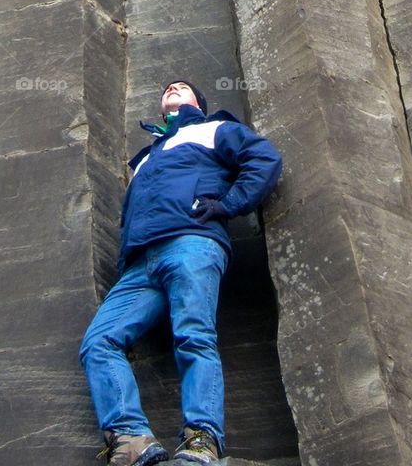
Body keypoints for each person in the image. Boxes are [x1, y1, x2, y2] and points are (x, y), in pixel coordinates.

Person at [79, 79, 283, 466]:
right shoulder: (144, 159)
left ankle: (202, 441)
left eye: (183, 87)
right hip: (141, 264)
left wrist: (227, 204)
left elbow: (264, 159)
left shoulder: (212, 129)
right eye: (167, 87)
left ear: (198, 103)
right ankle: (131, 439)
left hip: (192, 243)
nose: (173, 87)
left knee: (193, 335)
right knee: (99, 342)